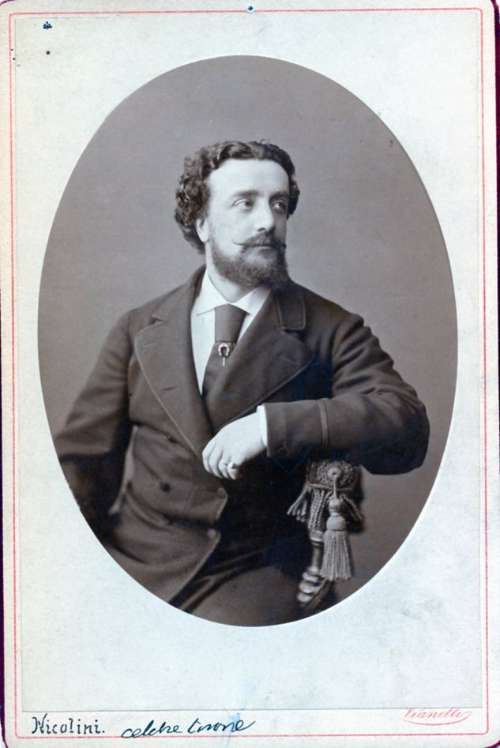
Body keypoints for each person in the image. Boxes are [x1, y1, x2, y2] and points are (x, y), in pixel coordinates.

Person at [55, 140, 429, 626]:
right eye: (245, 203)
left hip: (253, 571)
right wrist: (69, 565)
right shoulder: (140, 327)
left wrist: (269, 427)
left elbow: (405, 425)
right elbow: (83, 463)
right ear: (201, 223)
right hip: (134, 560)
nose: (267, 221)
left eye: (279, 204)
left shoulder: (331, 328)